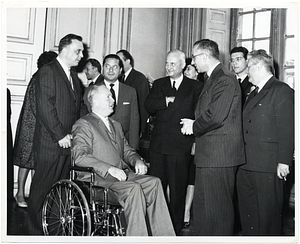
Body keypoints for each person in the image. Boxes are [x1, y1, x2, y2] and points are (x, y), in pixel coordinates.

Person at [71, 84, 175, 236]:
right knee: (133, 189)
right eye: (108, 96)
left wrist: (137, 160)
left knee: (154, 183)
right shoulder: (84, 124)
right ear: (94, 101)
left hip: (122, 178)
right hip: (99, 181)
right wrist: (109, 168)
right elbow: (79, 156)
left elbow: (127, 150)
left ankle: (164, 237)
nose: (113, 99)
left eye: (112, 96)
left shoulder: (116, 125)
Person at [180, 39, 245, 236]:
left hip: (219, 156)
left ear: (205, 57)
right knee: (206, 210)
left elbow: (216, 115)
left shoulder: (224, 78)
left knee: (218, 212)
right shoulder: (213, 78)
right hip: (211, 155)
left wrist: (193, 126)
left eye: (194, 56)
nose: (193, 62)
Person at [27, 33, 88, 234]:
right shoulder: (47, 72)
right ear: (64, 50)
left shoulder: (73, 77)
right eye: (78, 51)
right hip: (51, 144)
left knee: (59, 193)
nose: (82, 55)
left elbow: (78, 109)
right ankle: (36, 234)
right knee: (41, 191)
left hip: (67, 144)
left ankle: (52, 232)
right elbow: (45, 107)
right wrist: (60, 135)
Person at [236, 49, 294, 235]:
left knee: (268, 217)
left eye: (249, 67)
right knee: (248, 214)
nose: (247, 72)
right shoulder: (253, 93)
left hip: (268, 165)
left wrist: (284, 161)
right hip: (246, 164)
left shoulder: (281, 90)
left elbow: (287, 128)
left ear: (259, 66)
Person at [144, 49, 202, 235]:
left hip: (181, 146)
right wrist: (166, 100)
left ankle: (175, 231)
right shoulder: (160, 84)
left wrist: (195, 142)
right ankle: (156, 228)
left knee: (178, 192)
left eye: (173, 64)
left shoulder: (195, 86)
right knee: (157, 189)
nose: (168, 67)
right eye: (167, 63)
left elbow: (198, 116)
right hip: (159, 147)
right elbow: (149, 105)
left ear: (183, 65)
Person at [13, 51, 58, 208]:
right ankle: (20, 194)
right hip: (31, 127)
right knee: (26, 162)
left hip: (35, 126)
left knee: (35, 163)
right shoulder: (40, 78)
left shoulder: (41, 76)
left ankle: (33, 196)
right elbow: (38, 106)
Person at [100, 54, 140, 150]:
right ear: (102, 69)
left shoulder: (130, 92)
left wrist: (133, 149)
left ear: (120, 70)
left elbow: (134, 122)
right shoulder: (91, 90)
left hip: (123, 145)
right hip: (99, 144)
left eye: (115, 67)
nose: (110, 70)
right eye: (107, 66)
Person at [116, 50, 150, 138]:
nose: (117, 64)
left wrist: (140, 129)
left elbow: (143, 106)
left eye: (119, 61)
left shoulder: (139, 78)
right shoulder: (118, 78)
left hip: (132, 127)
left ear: (128, 61)